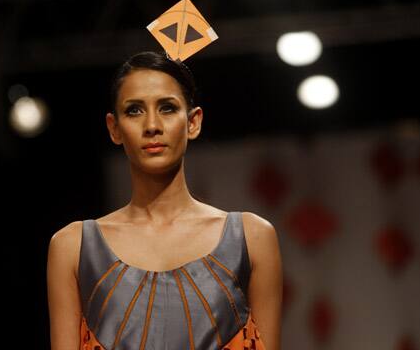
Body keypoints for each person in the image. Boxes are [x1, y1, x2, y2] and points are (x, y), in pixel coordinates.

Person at [47, 51, 283, 350]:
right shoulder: (73, 246)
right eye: (134, 110)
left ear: (193, 122)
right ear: (114, 128)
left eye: (168, 108)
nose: (152, 125)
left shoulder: (251, 238)